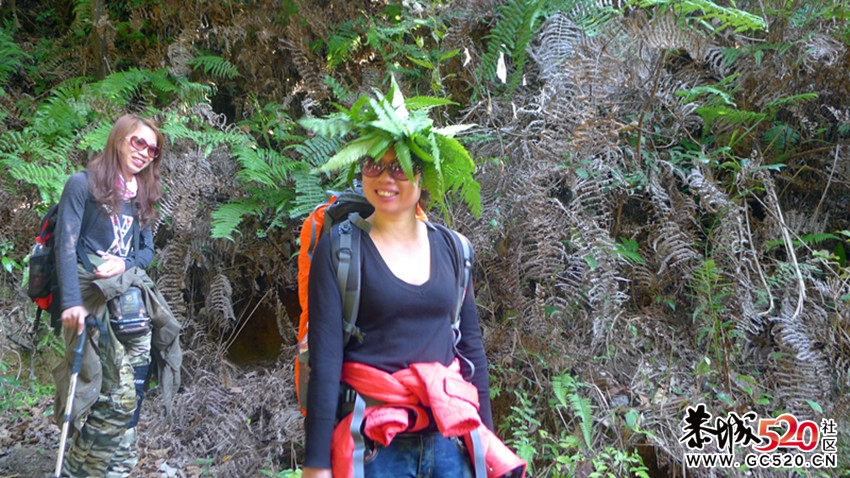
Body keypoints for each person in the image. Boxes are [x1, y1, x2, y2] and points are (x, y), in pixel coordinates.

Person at [300, 76, 525, 478]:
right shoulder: (340, 248)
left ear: (422, 178)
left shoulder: (455, 250)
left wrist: (487, 443)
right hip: (374, 447)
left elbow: (471, 354)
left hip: (449, 440)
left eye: (402, 167)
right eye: (375, 164)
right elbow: (326, 362)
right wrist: (316, 465)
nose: (387, 178)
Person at [52, 114, 182, 478]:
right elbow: (66, 247)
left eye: (152, 150)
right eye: (137, 142)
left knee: (133, 392)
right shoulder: (82, 186)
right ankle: (82, 470)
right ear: (118, 140)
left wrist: (123, 264)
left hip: (131, 304)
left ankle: (119, 467)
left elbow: (145, 252)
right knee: (103, 393)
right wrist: (71, 302)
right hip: (91, 303)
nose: (144, 153)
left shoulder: (141, 194)